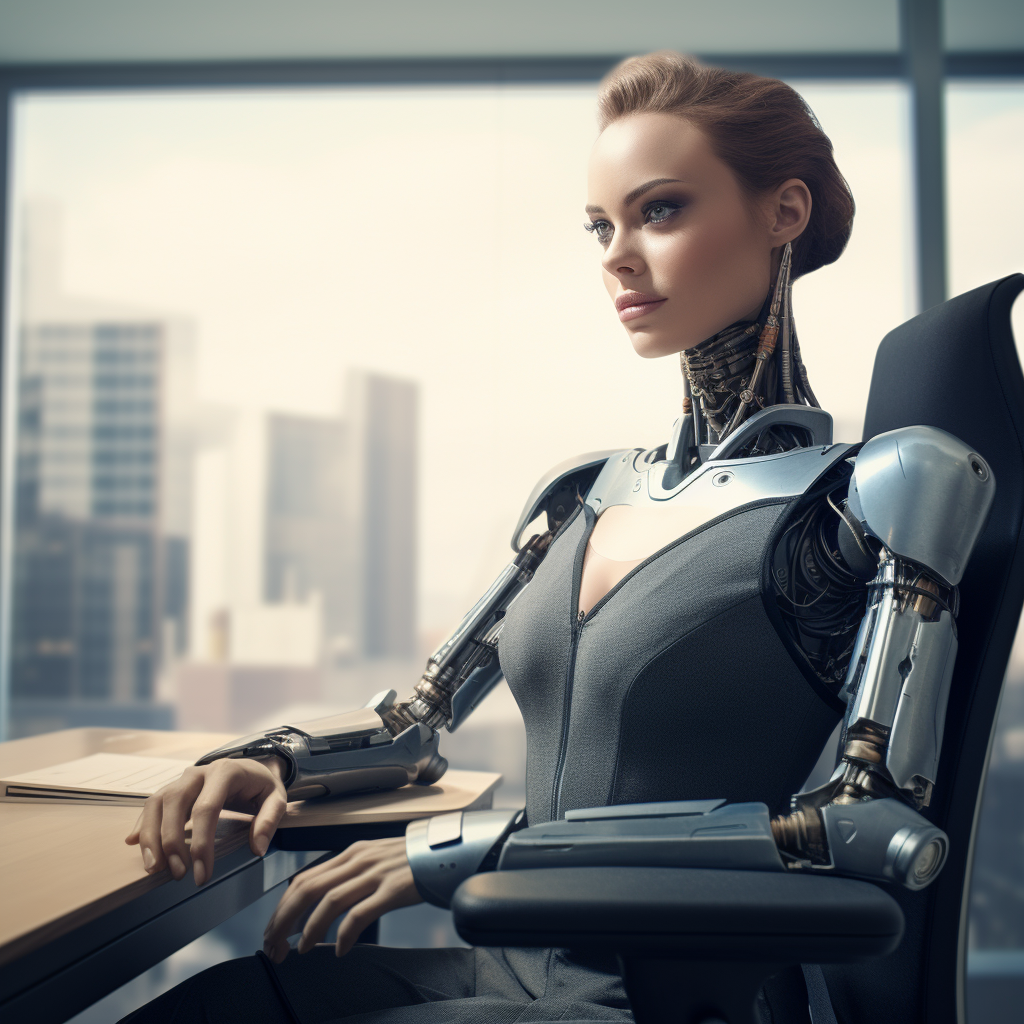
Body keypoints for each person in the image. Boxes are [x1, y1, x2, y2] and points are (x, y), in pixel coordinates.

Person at [120, 51, 970, 1023]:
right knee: (208, 1006)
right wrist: (272, 758)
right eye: (600, 225)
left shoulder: (866, 497)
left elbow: (868, 823)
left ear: (783, 213)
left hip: (654, 1004)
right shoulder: (582, 493)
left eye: (659, 211)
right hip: (500, 968)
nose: (615, 253)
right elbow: (417, 723)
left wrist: (475, 848)